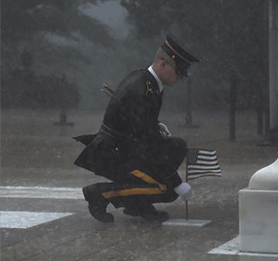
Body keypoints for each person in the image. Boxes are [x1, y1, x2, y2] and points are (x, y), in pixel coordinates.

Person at [73, 35, 200, 223]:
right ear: (163, 64)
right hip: (114, 154)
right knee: (166, 189)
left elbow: (140, 128)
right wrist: (176, 182)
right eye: (178, 72)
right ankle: (100, 194)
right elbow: (146, 144)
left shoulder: (145, 80)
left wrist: (154, 127)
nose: (179, 77)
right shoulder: (144, 88)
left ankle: (137, 205)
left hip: (122, 148)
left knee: (176, 147)